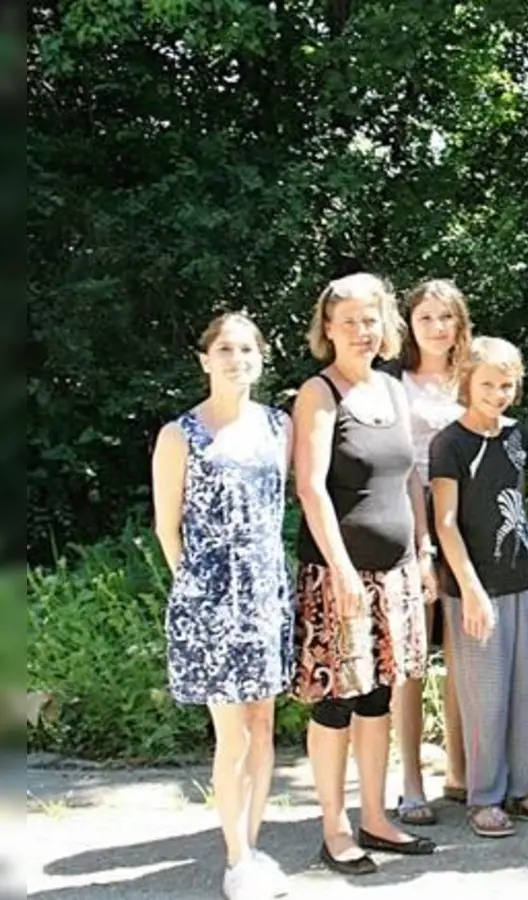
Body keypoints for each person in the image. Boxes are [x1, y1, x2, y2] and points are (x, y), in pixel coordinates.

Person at [293, 273, 436, 875]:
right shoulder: (319, 393)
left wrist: (424, 549)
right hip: (339, 577)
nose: (360, 330)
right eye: (348, 319)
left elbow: (408, 478)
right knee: (336, 703)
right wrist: (343, 570)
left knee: (380, 697)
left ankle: (376, 818)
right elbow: (309, 486)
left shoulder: (392, 390)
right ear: (327, 328)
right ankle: (334, 829)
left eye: (370, 318)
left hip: (399, 575)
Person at [151, 313, 294, 900]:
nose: (238, 359)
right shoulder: (179, 434)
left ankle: (252, 848)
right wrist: (198, 593)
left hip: (265, 593)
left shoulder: (278, 427)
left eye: (248, 349)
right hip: (210, 600)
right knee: (231, 733)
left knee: (263, 727)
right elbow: (167, 526)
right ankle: (235, 860)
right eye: (226, 349)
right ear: (205, 359)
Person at [432, 337, 528, 837]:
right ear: (466, 382)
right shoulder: (450, 443)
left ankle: (525, 785)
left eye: (506, 384)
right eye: (487, 383)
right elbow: (445, 523)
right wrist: (469, 589)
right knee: (485, 696)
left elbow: (522, 507)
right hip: (474, 588)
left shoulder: (517, 436)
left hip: (521, 580)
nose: (497, 393)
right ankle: (484, 795)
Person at [386, 278, 471, 826]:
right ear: (409, 327)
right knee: (411, 659)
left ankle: (462, 773)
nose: (438, 328)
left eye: (447, 318)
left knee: (465, 656)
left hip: (470, 524)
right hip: (410, 524)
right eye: (426, 319)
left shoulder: (473, 377)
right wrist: (420, 545)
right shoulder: (393, 385)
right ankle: (411, 783)